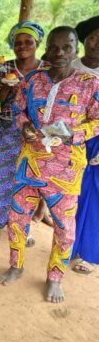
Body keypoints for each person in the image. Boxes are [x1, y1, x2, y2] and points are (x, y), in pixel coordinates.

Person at [0, 26, 99, 303]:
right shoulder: (32, 80)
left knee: (64, 227)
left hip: (66, 169)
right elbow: (17, 110)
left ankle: (55, 277)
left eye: (67, 47)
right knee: (17, 218)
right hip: (28, 164)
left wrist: (74, 135)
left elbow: (98, 121)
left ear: (75, 49)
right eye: (54, 47)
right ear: (47, 49)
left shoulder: (89, 83)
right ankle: (16, 265)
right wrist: (24, 126)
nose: (60, 52)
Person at [0, 21, 48, 246]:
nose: (22, 46)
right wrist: (5, 88)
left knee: (27, 180)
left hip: (36, 133)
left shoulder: (47, 69)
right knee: (0, 176)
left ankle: (23, 226)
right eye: (18, 43)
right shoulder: (5, 67)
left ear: (37, 43)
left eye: (28, 42)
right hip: (7, 129)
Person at [70, 16, 99, 275]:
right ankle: (66, 247)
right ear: (84, 40)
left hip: (96, 142)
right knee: (70, 193)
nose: (97, 43)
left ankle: (87, 253)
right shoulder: (70, 67)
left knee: (93, 195)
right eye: (93, 37)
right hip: (67, 139)